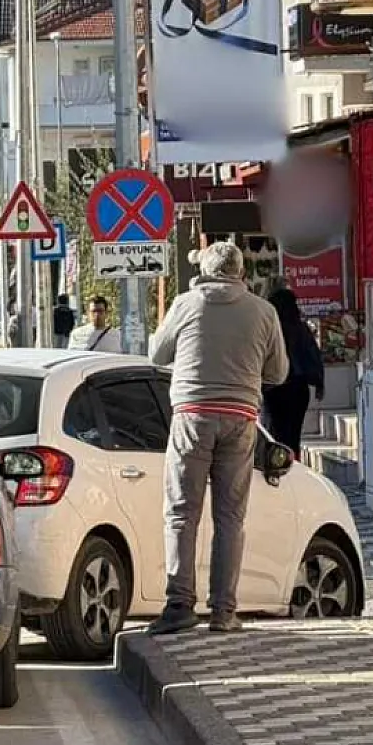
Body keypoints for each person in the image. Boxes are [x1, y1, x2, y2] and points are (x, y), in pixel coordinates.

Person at [147, 241, 288, 635]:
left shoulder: (186, 304)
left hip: (191, 416)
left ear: (205, 273)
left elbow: (156, 354)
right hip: (241, 419)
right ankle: (224, 612)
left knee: (181, 512)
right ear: (242, 273)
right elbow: (278, 373)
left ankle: (179, 605)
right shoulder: (264, 312)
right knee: (229, 517)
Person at [261, 287, 325, 456]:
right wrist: (319, 383)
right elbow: (312, 355)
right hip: (298, 388)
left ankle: (277, 469)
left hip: (273, 388)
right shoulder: (301, 328)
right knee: (293, 435)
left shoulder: (268, 330)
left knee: (273, 433)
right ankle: (293, 466)